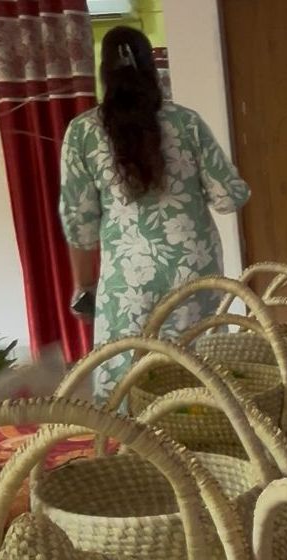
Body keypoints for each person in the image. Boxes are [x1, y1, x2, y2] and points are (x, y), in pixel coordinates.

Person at [59, 26, 250, 400]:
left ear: (104, 73)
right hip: (193, 267)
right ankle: (203, 428)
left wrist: (84, 286)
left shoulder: (82, 132)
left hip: (127, 276)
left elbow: (80, 225)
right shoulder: (187, 122)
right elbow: (229, 197)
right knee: (198, 364)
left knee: (125, 372)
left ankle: (131, 434)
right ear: (152, 69)